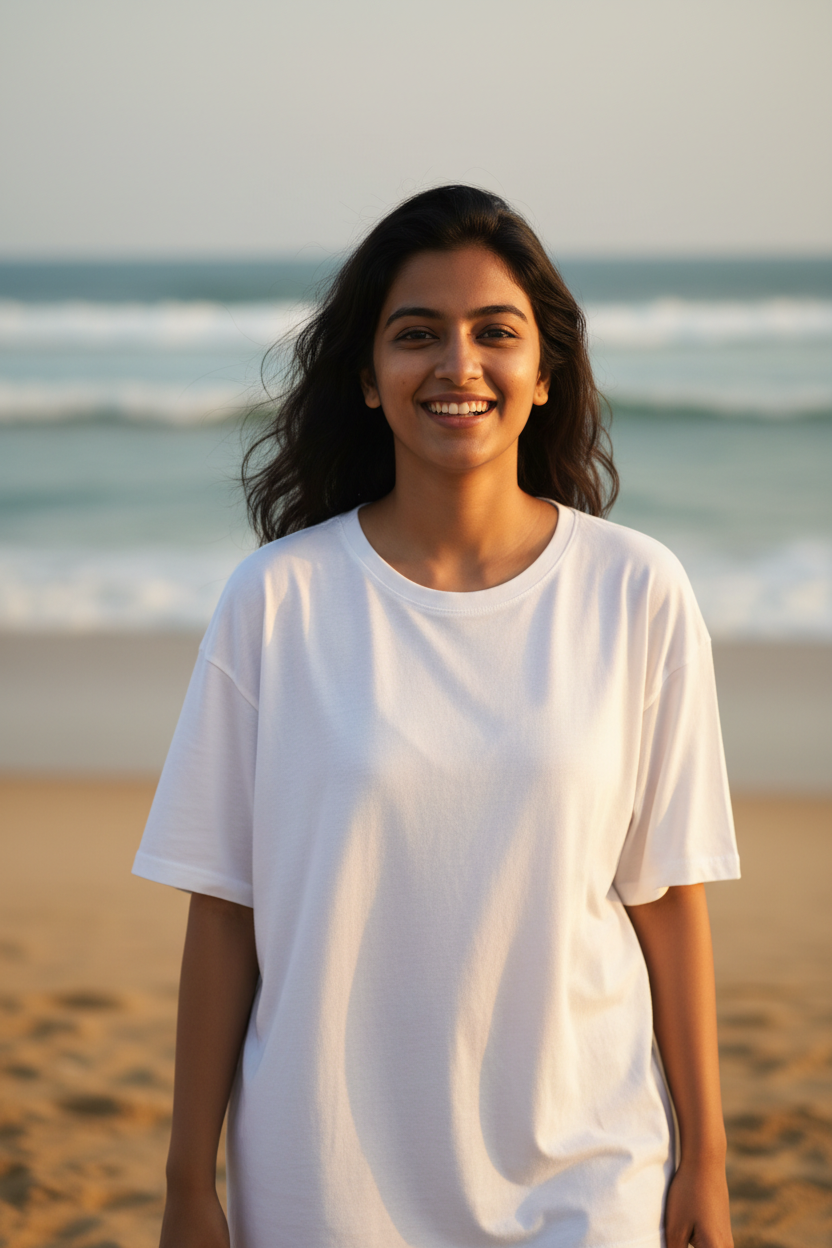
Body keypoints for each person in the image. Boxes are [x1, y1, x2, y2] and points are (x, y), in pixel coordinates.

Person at [133, 185, 740, 1248]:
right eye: (417, 335)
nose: (457, 364)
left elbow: (666, 899)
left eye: (494, 334)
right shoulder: (277, 601)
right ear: (368, 381)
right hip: (325, 1189)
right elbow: (225, 913)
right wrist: (190, 1183)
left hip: (586, 1178)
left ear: (543, 374)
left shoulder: (636, 591)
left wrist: (709, 1162)